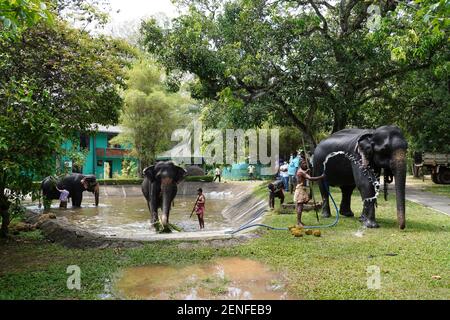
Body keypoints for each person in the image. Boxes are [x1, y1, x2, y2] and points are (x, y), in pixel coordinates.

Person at [294, 160, 325, 227]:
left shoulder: (301, 171)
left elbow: (304, 175)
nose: (305, 164)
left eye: (306, 163)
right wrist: (321, 177)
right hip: (300, 190)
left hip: (302, 189)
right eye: (303, 163)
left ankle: (299, 221)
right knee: (300, 206)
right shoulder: (301, 172)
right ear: (300, 165)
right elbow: (310, 178)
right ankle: (298, 222)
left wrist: (307, 172)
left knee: (303, 204)